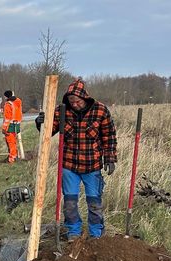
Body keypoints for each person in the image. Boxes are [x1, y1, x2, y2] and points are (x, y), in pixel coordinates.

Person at [36, 79, 118, 240]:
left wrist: (110, 158)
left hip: (92, 165)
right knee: (70, 202)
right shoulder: (61, 111)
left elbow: (109, 136)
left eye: (78, 101)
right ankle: (74, 231)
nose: (75, 105)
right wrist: (41, 123)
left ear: (85, 98)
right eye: (72, 102)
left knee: (94, 202)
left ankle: (96, 234)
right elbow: (48, 131)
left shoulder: (100, 110)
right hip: (69, 165)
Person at [0, 90, 23, 163]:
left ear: (6, 96)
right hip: (17, 125)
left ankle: (12, 159)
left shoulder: (8, 105)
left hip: (10, 126)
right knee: (14, 142)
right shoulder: (18, 102)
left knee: (11, 142)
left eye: (4, 96)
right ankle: (15, 155)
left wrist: (4, 129)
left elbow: (7, 119)